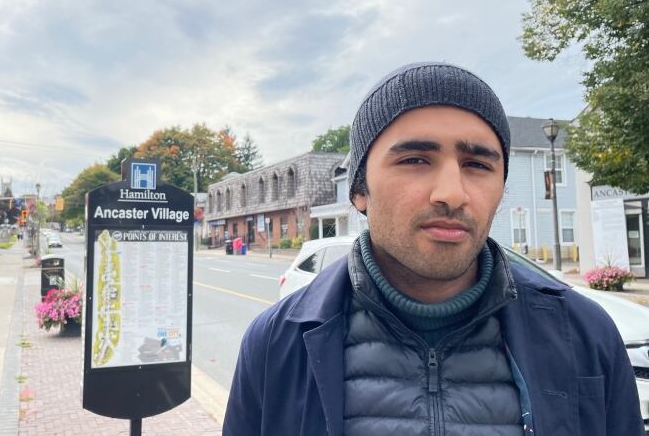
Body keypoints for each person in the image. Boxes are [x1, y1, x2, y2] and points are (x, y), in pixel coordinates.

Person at [223, 62, 643, 435]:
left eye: (477, 165)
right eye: (415, 160)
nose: (451, 193)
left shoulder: (585, 335)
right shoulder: (277, 344)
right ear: (359, 191)